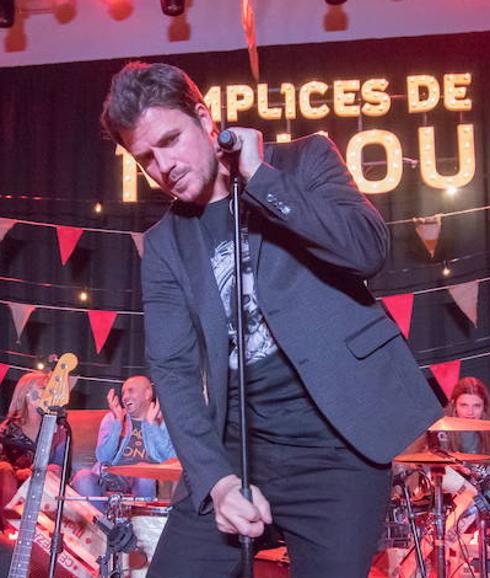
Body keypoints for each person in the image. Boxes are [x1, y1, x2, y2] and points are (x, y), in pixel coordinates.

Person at [100, 61, 443, 578]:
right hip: (238, 449)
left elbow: (367, 250)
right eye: (146, 157)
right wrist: (217, 482)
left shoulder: (304, 161)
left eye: (170, 140)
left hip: (338, 449)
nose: (163, 165)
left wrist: (260, 177)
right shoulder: (166, 243)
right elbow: (172, 370)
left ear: (204, 119)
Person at [72, 375, 175, 504]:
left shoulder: (163, 420)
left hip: (145, 478)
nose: (125, 397)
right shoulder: (112, 418)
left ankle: (140, 516)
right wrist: (118, 423)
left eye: (131, 391)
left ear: (147, 394)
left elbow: (170, 458)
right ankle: (103, 517)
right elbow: (103, 457)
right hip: (113, 475)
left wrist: (152, 425)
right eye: (123, 393)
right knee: (82, 477)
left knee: (144, 474)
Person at [0, 371, 65, 524]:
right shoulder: (6, 429)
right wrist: (18, 472)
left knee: (54, 469)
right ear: (28, 394)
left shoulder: (56, 428)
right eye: (44, 388)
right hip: (11, 480)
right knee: (5, 470)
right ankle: (9, 526)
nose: (49, 393)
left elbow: (60, 466)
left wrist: (42, 470)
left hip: (41, 479)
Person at [446, 376, 490, 454]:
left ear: (484, 407)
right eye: (464, 405)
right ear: (454, 405)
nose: (470, 412)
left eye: (476, 406)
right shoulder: (439, 430)